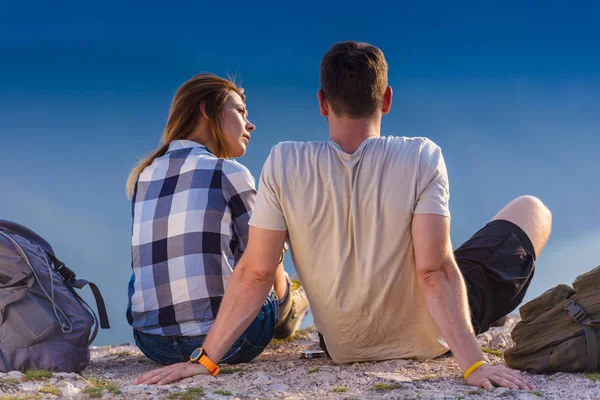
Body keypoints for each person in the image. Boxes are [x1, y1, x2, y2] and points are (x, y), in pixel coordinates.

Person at [137, 42, 552, 390]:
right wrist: (475, 364)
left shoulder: (283, 162)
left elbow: (255, 273)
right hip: (429, 339)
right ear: (386, 99)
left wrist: (206, 361)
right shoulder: (422, 156)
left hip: (344, 346)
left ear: (322, 102)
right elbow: (434, 271)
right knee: (532, 210)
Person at [125, 73, 309, 367]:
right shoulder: (230, 172)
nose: (251, 124)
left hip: (152, 343)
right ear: (205, 110)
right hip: (232, 342)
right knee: (264, 245)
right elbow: (262, 263)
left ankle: (289, 301)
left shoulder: (143, 176)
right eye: (240, 111)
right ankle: (289, 304)